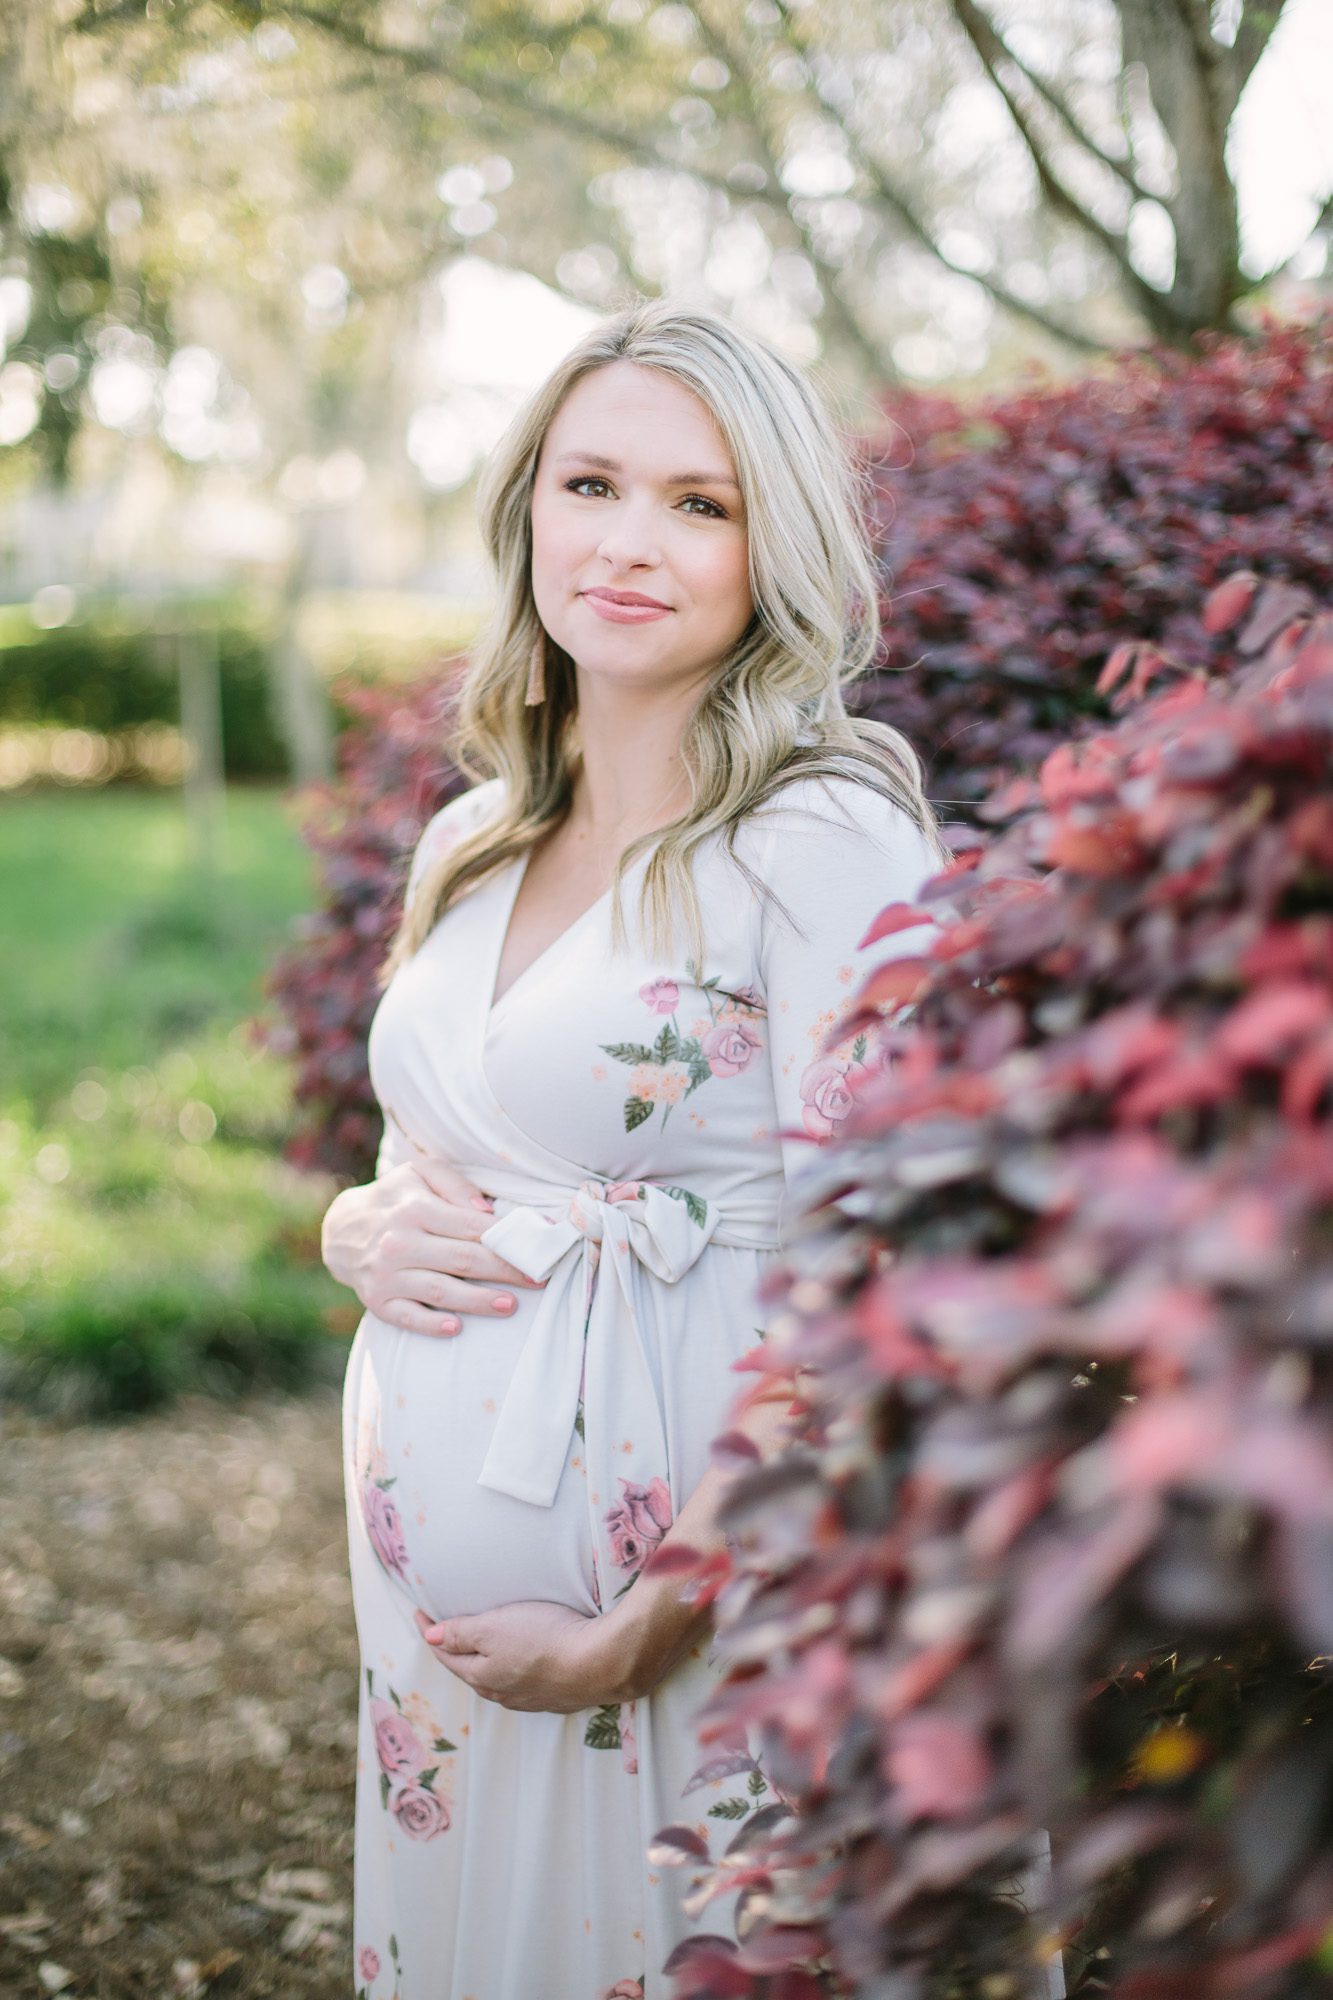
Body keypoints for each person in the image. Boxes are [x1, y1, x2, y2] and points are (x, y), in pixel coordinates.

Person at [320, 298, 948, 2000]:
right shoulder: (471, 837)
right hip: (439, 1650)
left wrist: (634, 1630)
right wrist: (351, 1231)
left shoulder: (821, 832)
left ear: (776, 549)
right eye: (592, 483)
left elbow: (878, 1271)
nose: (629, 543)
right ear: (528, 504)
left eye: (702, 502)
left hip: (700, 1609)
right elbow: (428, 1156)